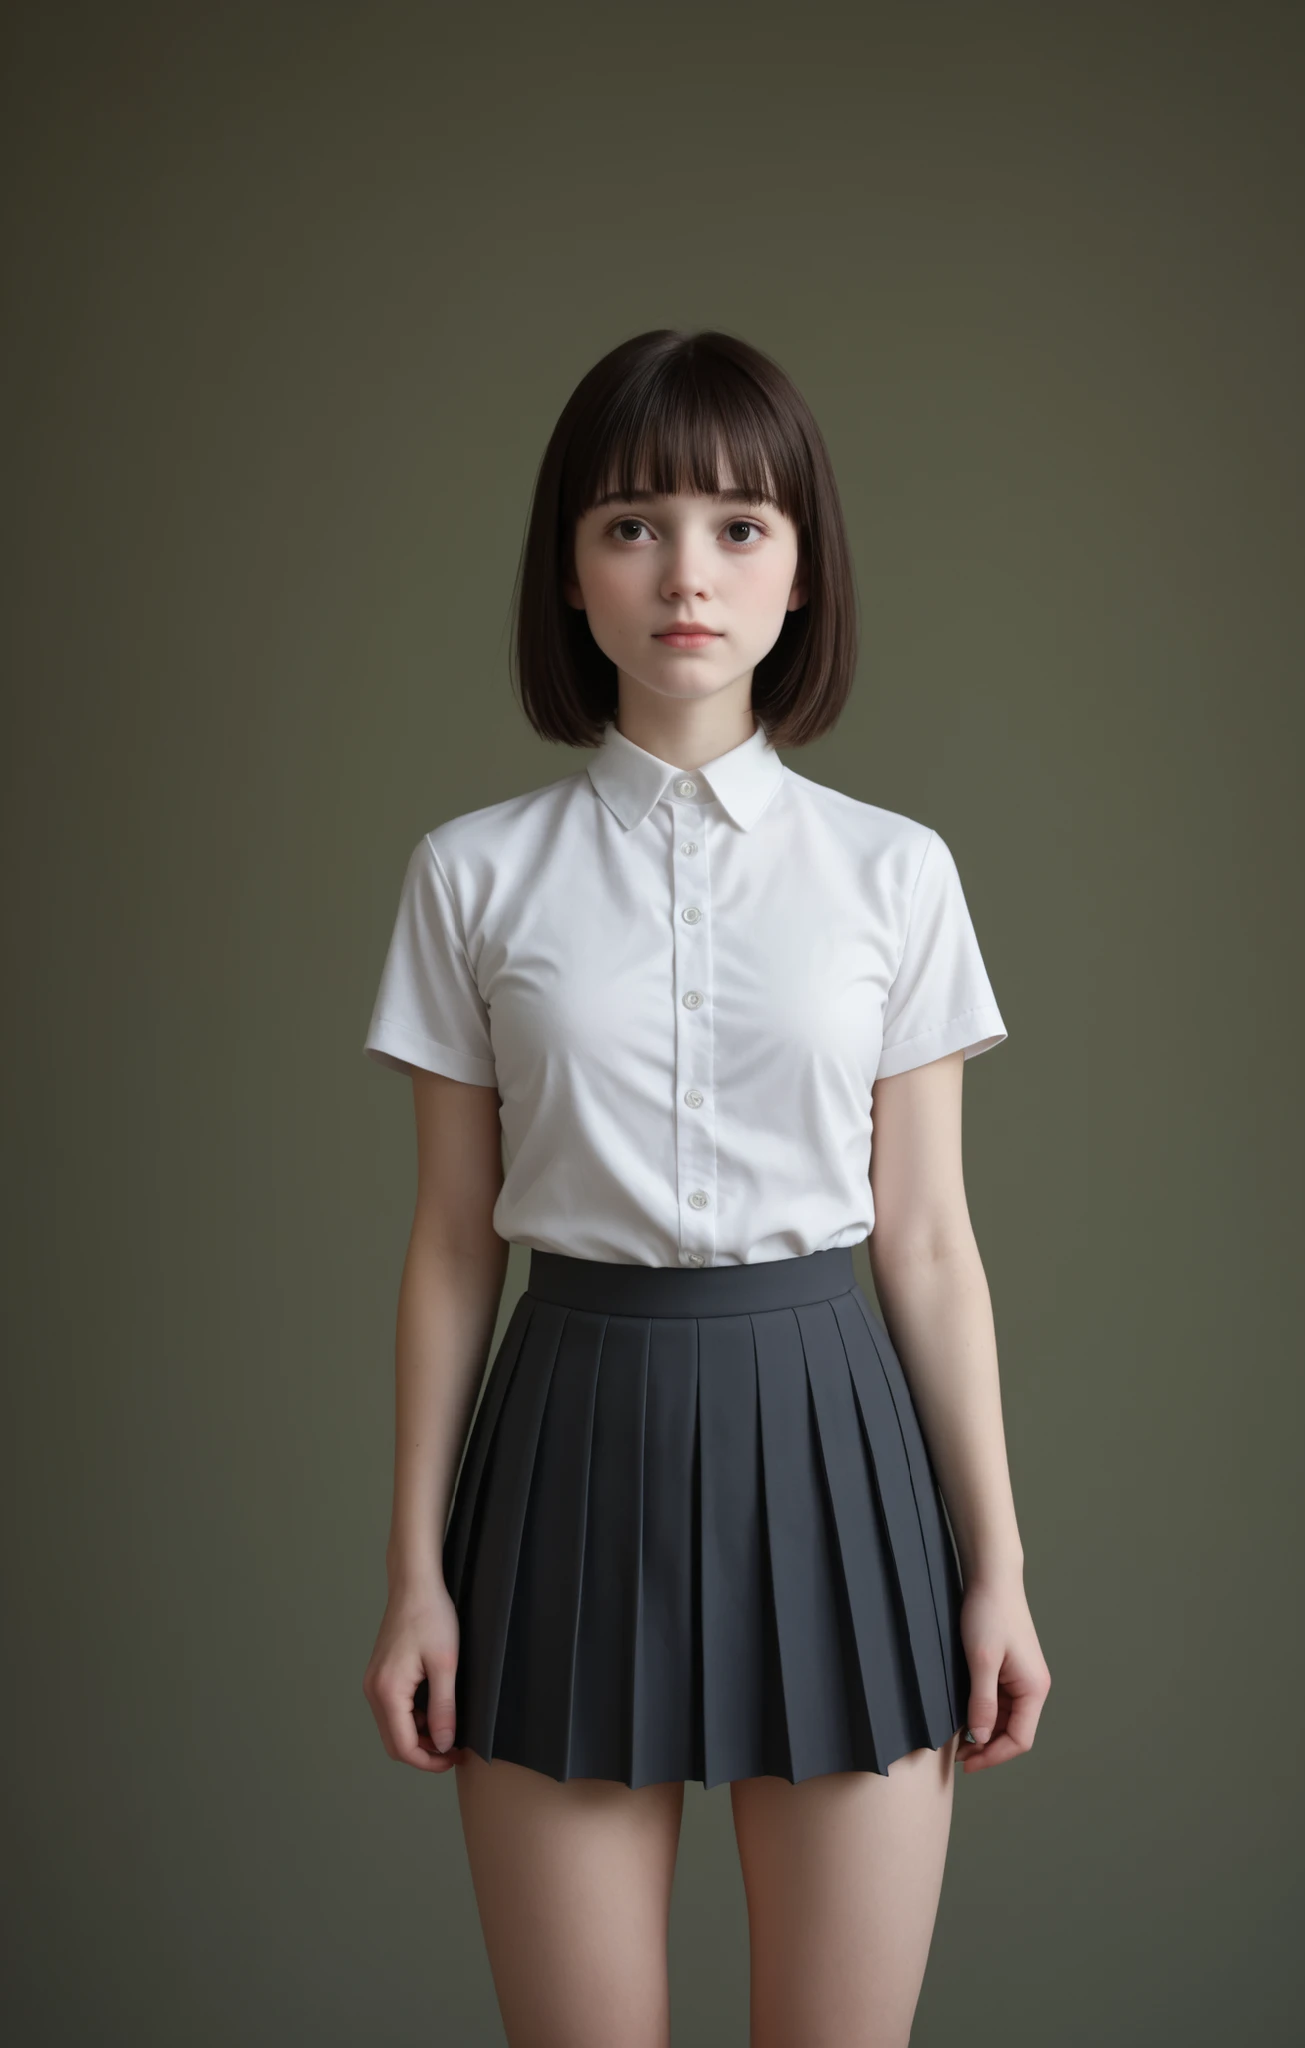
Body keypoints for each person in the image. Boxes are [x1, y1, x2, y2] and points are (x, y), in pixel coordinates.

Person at [360, 328, 1050, 2048]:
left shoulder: (898, 874)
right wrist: (413, 1575)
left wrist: (1001, 1567)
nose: (688, 573)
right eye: (632, 524)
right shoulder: (470, 877)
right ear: (569, 579)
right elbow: (453, 1248)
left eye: (742, 526)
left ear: (805, 570)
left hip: (841, 1459)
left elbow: (934, 1243)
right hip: (567, 1449)